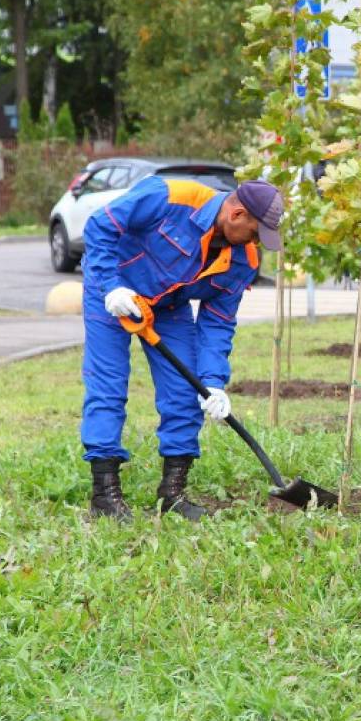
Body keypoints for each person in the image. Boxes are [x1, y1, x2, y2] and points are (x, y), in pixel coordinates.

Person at [80, 176, 284, 522]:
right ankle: (105, 495)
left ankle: (172, 493)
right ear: (236, 215)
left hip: (166, 308)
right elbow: (100, 226)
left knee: (185, 391)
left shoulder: (242, 263)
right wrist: (112, 287)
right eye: (254, 233)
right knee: (108, 387)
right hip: (111, 298)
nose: (256, 244)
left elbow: (217, 323)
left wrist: (213, 382)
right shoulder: (169, 196)